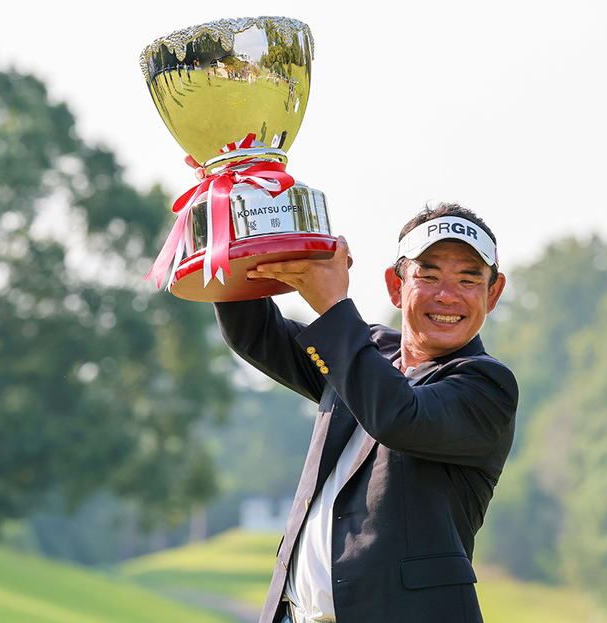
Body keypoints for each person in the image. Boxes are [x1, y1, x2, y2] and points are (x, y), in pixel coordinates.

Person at [213, 202, 517, 623]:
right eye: (428, 276)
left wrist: (334, 305)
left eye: (469, 279)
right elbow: (256, 333)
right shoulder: (365, 352)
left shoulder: (486, 385)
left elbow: (398, 415)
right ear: (396, 285)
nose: (447, 295)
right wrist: (231, 214)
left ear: (493, 293)